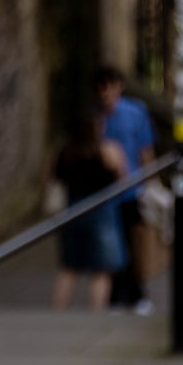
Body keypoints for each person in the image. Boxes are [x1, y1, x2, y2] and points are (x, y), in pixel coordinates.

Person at [49, 110, 129, 312]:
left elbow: (52, 179)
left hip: (73, 210)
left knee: (70, 267)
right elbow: (123, 178)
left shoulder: (64, 151)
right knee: (101, 270)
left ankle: (57, 312)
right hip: (101, 211)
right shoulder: (107, 150)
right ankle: (96, 314)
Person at [94, 67, 155, 313]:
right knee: (111, 248)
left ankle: (137, 295)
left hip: (131, 190)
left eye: (110, 86)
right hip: (104, 195)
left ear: (119, 86)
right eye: (101, 87)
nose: (106, 92)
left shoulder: (135, 112)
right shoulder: (95, 117)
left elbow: (145, 150)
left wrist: (151, 182)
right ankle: (116, 297)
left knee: (133, 246)